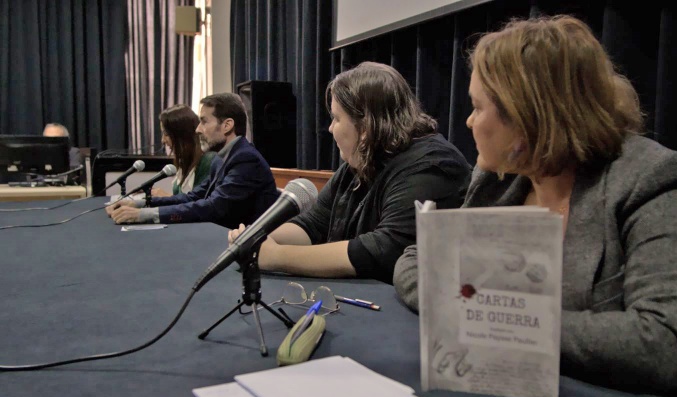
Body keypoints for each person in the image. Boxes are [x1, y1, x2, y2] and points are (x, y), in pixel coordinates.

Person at [393, 16, 677, 397]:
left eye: (477, 107)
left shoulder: (653, 178)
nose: (468, 121)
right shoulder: (499, 180)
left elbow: (669, 343)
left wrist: (494, 320)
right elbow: (417, 259)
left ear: (526, 116)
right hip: (524, 394)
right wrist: (463, 309)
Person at [228, 62, 472, 284]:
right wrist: (257, 238)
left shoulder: (432, 165)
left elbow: (383, 250)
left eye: (336, 118)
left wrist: (277, 256)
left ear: (365, 127)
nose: (330, 128)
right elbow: (313, 224)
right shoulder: (361, 161)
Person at [106, 93, 280, 228]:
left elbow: (213, 208)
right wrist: (139, 204)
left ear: (227, 125)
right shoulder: (223, 158)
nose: (197, 129)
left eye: (204, 122)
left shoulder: (245, 159)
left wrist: (143, 215)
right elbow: (193, 197)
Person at [151, 104, 217, 196]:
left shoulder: (208, 161)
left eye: (166, 134)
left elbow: (201, 202)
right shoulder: (185, 161)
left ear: (181, 134)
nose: (163, 140)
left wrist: (166, 197)